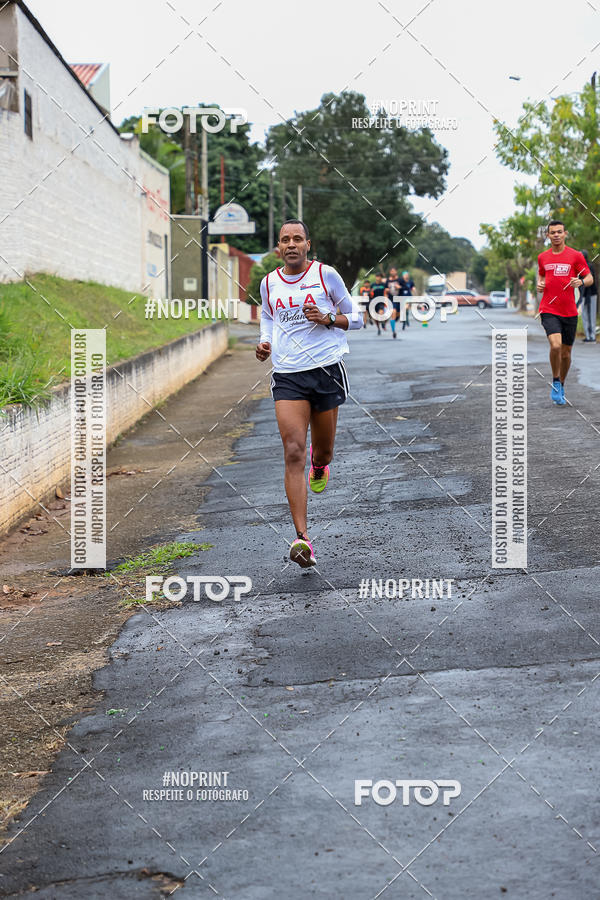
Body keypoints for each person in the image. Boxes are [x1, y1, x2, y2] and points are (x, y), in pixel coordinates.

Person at [255, 219, 362, 568]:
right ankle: (302, 539)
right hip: (287, 375)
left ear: (307, 245)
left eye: (297, 239)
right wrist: (265, 342)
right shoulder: (268, 283)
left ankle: (321, 464)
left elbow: (357, 317)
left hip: (327, 370)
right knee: (292, 451)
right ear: (278, 248)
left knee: (323, 450)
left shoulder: (325, 275)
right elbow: (268, 318)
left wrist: (329, 318)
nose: (291, 244)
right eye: (284, 240)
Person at [537, 220, 592, 405]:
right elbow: (542, 274)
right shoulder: (543, 257)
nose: (556, 235)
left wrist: (581, 282)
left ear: (565, 233)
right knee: (555, 346)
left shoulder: (575, 256)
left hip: (569, 311)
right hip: (548, 308)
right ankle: (554, 381)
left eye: (559, 232)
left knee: (566, 353)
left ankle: (561, 383)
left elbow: (589, 277)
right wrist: (540, 283)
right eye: (553, 232)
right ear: (548, 235)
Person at [578, 249, 597, 342]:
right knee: (584, 315)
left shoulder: (590, 266)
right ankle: (588, 336)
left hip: (592, 294)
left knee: (592, 315)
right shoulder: (578, 267)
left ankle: (592, 336)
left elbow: (590, 280)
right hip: (583, 295)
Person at [385, 267, 402, 339]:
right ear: (390, 272)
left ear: (396, 272)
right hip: (391, 299)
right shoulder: (387, 281)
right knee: (393, 312)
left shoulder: (400, 280)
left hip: (400, 299)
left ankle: (395, 320)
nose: (392, 272)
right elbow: (385, 290)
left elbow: (404, 288)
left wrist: (399, 287)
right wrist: (385, 300)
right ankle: (393, 331)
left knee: (398, 314)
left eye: (394, 271)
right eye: (391, 271)